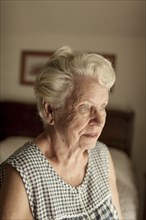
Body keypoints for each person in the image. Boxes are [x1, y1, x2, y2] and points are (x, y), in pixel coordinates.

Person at [0, 46, 123, 220]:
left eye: (103, 106)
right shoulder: (22, 175)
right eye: (85, 107)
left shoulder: (102, 155)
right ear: (50, 110)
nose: (100, 120)